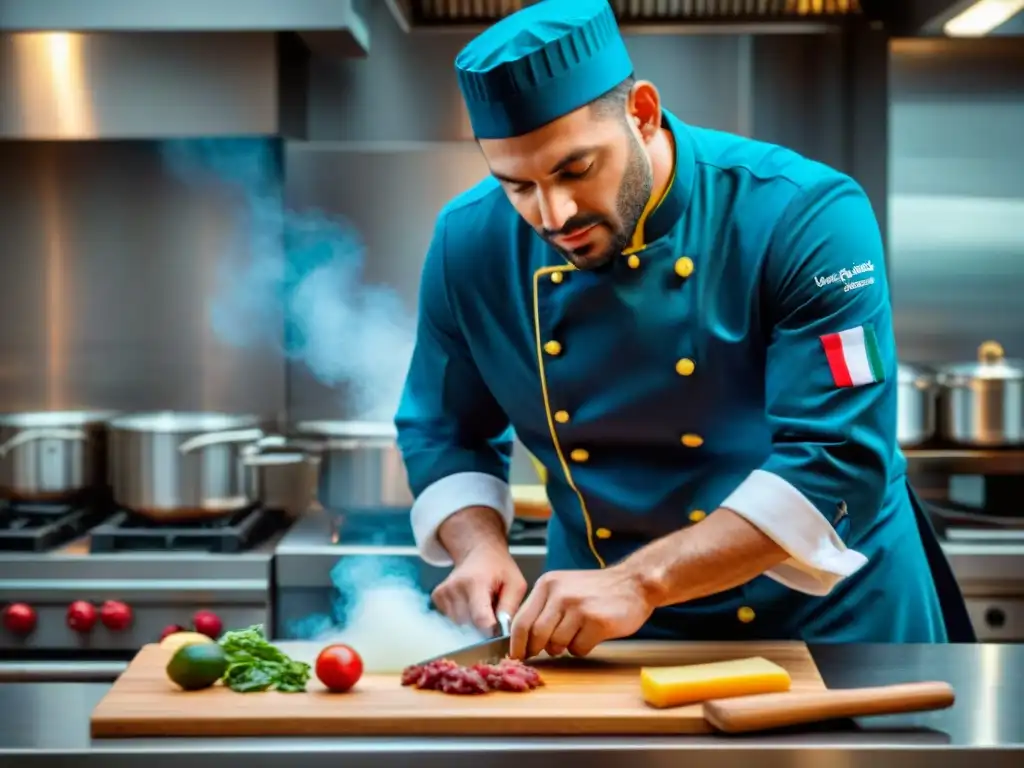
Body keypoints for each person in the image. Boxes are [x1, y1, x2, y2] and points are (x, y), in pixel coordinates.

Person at [393, 0, 975, 659]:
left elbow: (836, 456)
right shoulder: (468, 242)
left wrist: (641, 580)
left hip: (828, 626)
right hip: (602, 633)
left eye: (575, 170)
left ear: (641, 112)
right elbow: (445, 429)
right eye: (516, 185)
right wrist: (480, 549)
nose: (552, 215)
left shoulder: (804, 214)